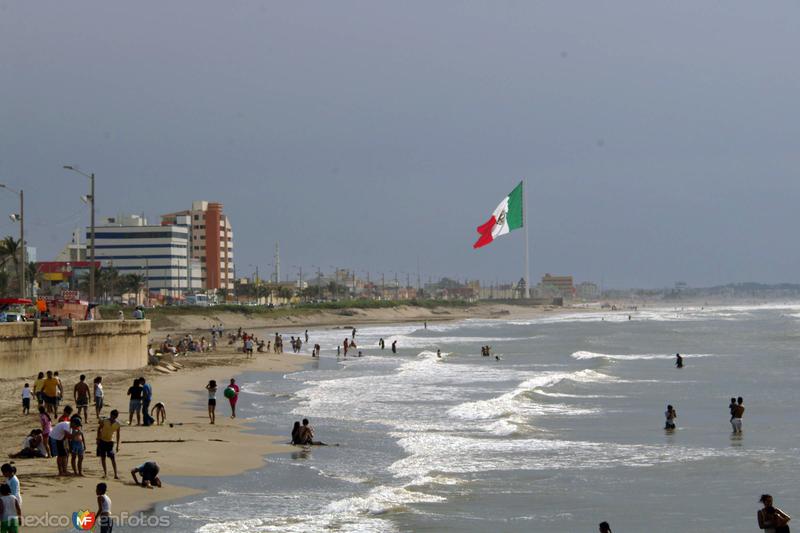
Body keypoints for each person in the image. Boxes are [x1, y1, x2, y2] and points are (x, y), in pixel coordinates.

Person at [97, 409, 121, 479]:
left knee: (112, 458)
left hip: (110, 441)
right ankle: (105, 473)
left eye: (114, 417)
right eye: (111, 416)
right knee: (103, 457)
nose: (112, 418)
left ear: (116, 417)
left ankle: (115, 474)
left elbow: (118, 435)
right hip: (102, 440)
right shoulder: (105, 421)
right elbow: (99, 429)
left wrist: (117, 446)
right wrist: (98, 438)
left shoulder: (117, 424)